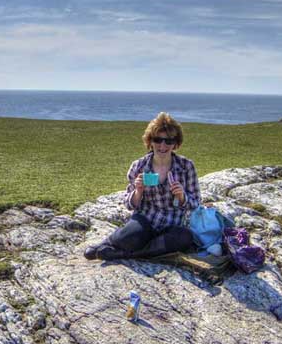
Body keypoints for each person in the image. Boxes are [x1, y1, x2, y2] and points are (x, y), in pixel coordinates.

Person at [84, 112, 201, 261]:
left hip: (172, 223)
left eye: (169, 141)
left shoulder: (186, 166)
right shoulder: (139, 166)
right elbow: (128, 204)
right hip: (145, 219)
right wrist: (138, 191)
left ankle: (127, 254)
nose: (163, 145)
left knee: (185, 237)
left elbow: (196, 202)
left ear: (175, 143)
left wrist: (182, 196)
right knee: (133, 234)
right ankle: (106, 243)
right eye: (158, 140)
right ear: (150, 141)